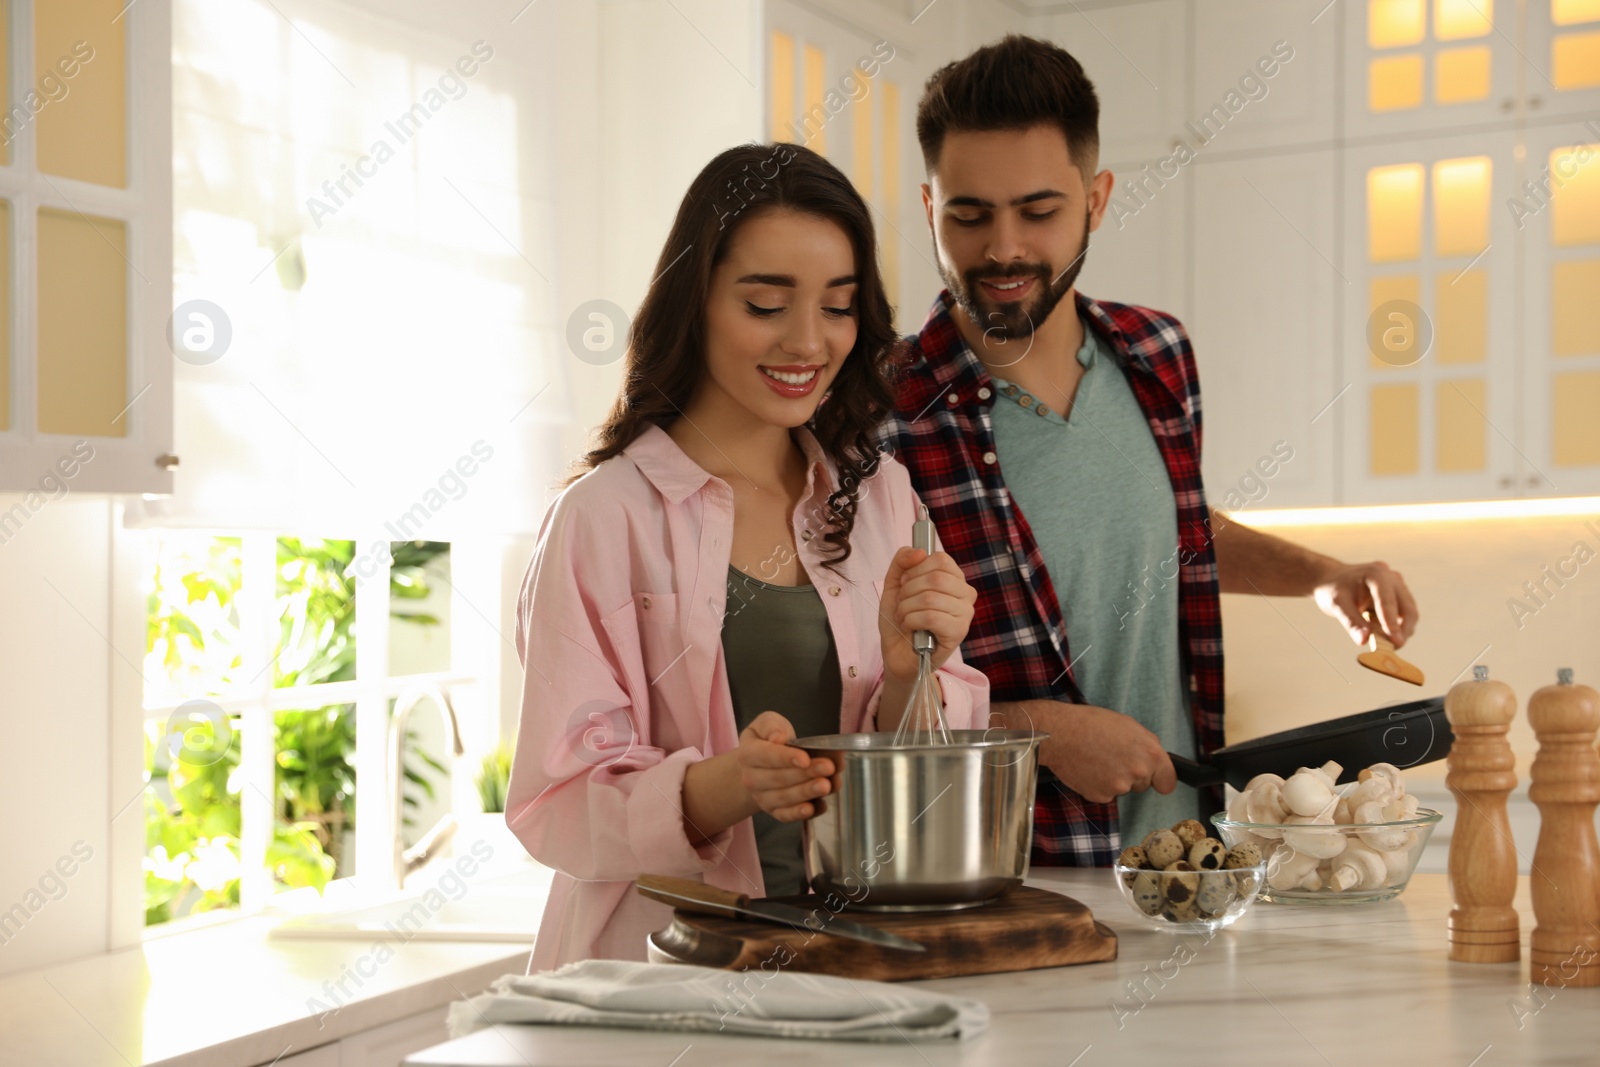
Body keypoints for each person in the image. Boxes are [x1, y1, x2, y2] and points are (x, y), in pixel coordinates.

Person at [880, 35, 1420, 863]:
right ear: (928, 208)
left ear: (1097, 200)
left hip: (1187, 860)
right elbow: (852, 694)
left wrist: (1324, 576)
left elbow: (1175, 529)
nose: (1003, 248)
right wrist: (1037, 732)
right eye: (969, 213)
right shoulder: (885, 411)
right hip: (1008, 876)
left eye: (1039, 209)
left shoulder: (1157, 352)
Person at [506, 143, 988, 968]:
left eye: (838, 306)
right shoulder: (603, 517)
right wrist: (720, 787)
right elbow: (556, 800)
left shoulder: (883, 499)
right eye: (766, 304)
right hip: (657, 972)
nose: (809, 341)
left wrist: (916, 672)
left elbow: (927, 792)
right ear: (695, 302)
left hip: (856, 965)